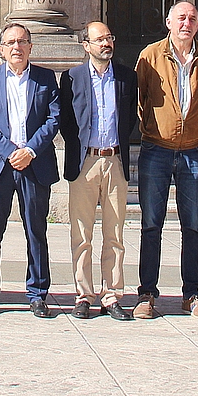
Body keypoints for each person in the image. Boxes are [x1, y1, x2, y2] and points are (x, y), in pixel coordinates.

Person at [134, 0, 198, 320]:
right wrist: (156, 129)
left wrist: (196, 127)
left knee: (193, 225)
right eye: (181, 18)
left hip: (194, 151)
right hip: (155, 150)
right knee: (151, 224)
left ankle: (192, 294)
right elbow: (140, 98)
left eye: (193, 18)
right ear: (169, 22)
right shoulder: (150, 56)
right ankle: (147, 293)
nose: (187, 23)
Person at [0, 22, 61, 317]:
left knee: (36, 230)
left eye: (22, 42)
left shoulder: (46, 79)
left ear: (30, 48)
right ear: (2, 49)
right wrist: (11, 152)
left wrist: (30, 150)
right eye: (10, 42)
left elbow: (53, 119)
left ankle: (37, 293)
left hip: (35, 164)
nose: (16, 47)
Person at [59, 20, 138, 320]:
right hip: (85, 163)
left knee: (115, 232)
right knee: (81, 233)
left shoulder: (126, 78)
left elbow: (129, 117)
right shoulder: (72, 78)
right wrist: (80, 151)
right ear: (86, 45)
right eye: (100, 39)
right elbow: (67, 120)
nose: (106, 43)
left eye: (109, 37)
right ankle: (83, 294)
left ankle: (112, 295)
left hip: (115, 161)